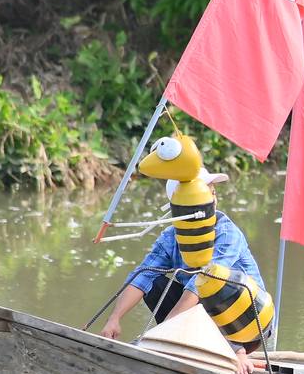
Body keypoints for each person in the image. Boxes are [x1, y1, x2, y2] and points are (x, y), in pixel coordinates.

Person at [98, 136, 273, 358]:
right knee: (154, 283)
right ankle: (177, 342)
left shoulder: (227, 233)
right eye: (208, 191)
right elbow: (141, 277)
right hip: (205, 317)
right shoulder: (170, 238)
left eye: (213, 191)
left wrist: (162, 331)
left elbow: (201, 284)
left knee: (211, 282)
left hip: (248, 322)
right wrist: (114, 319)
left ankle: (231, 352)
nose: (213, 197)